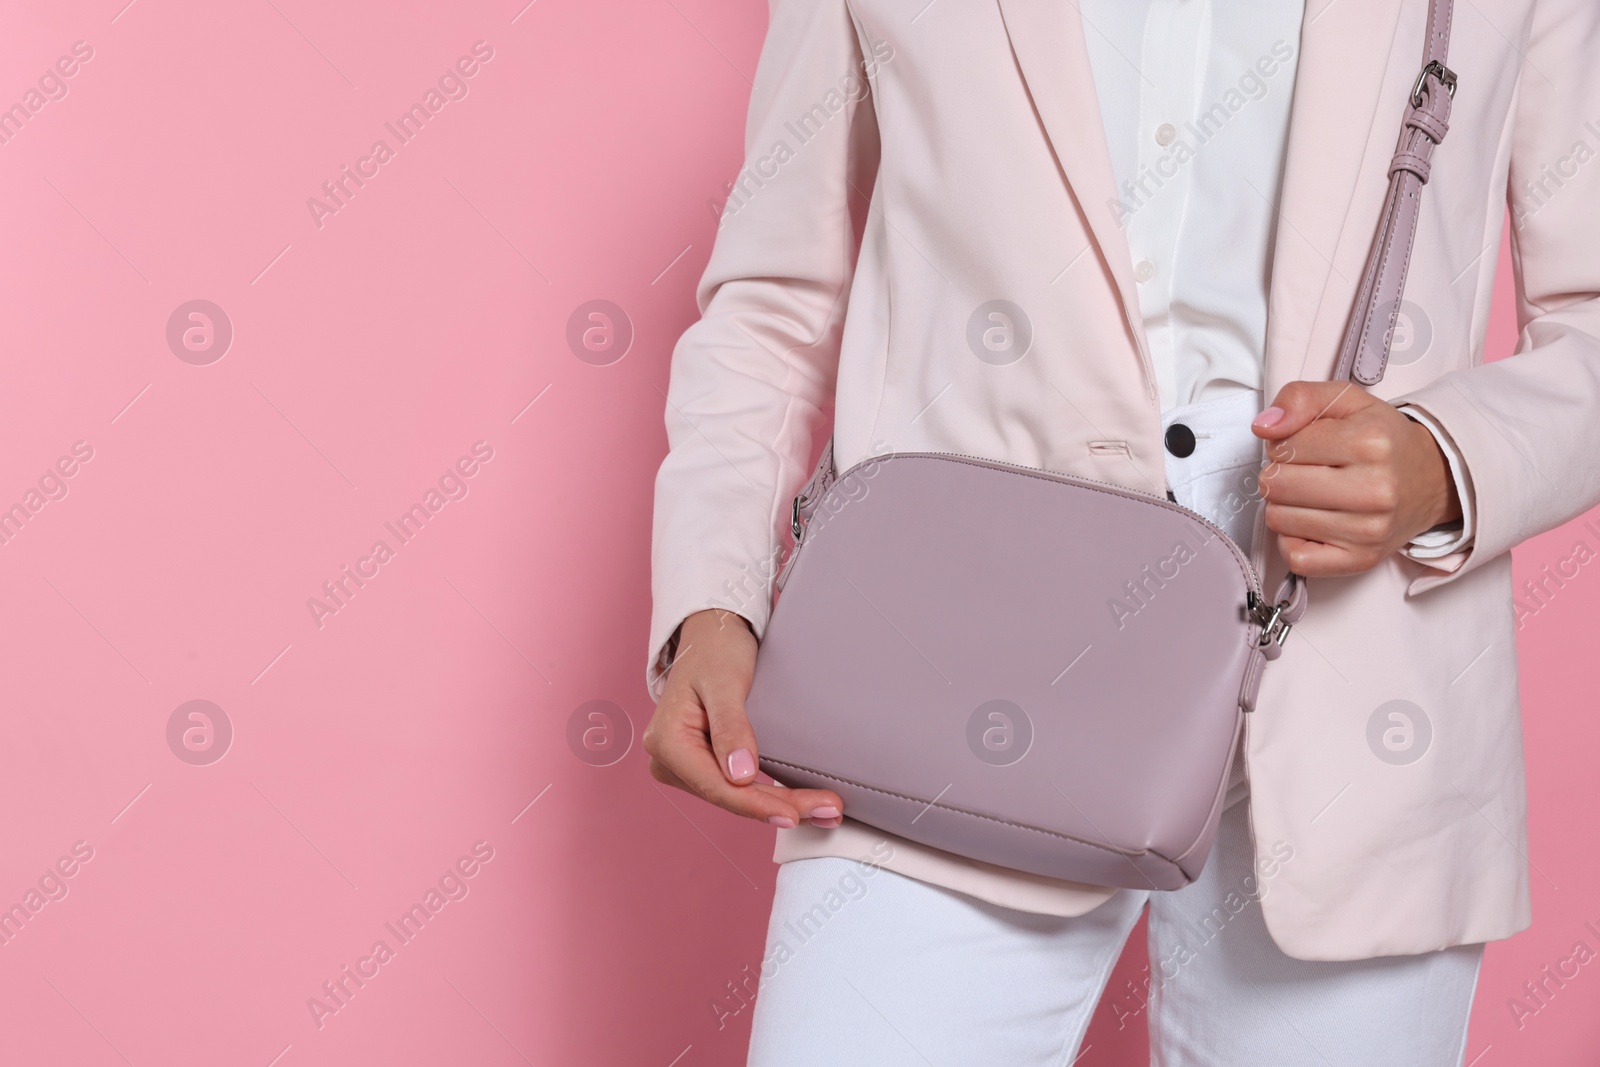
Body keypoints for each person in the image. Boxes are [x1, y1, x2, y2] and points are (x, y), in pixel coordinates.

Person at [644, 0, 1600, 1062]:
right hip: (951, 662)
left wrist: (1443, 459)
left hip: (1356, 676)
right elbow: (772, 296)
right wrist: (711, 599)